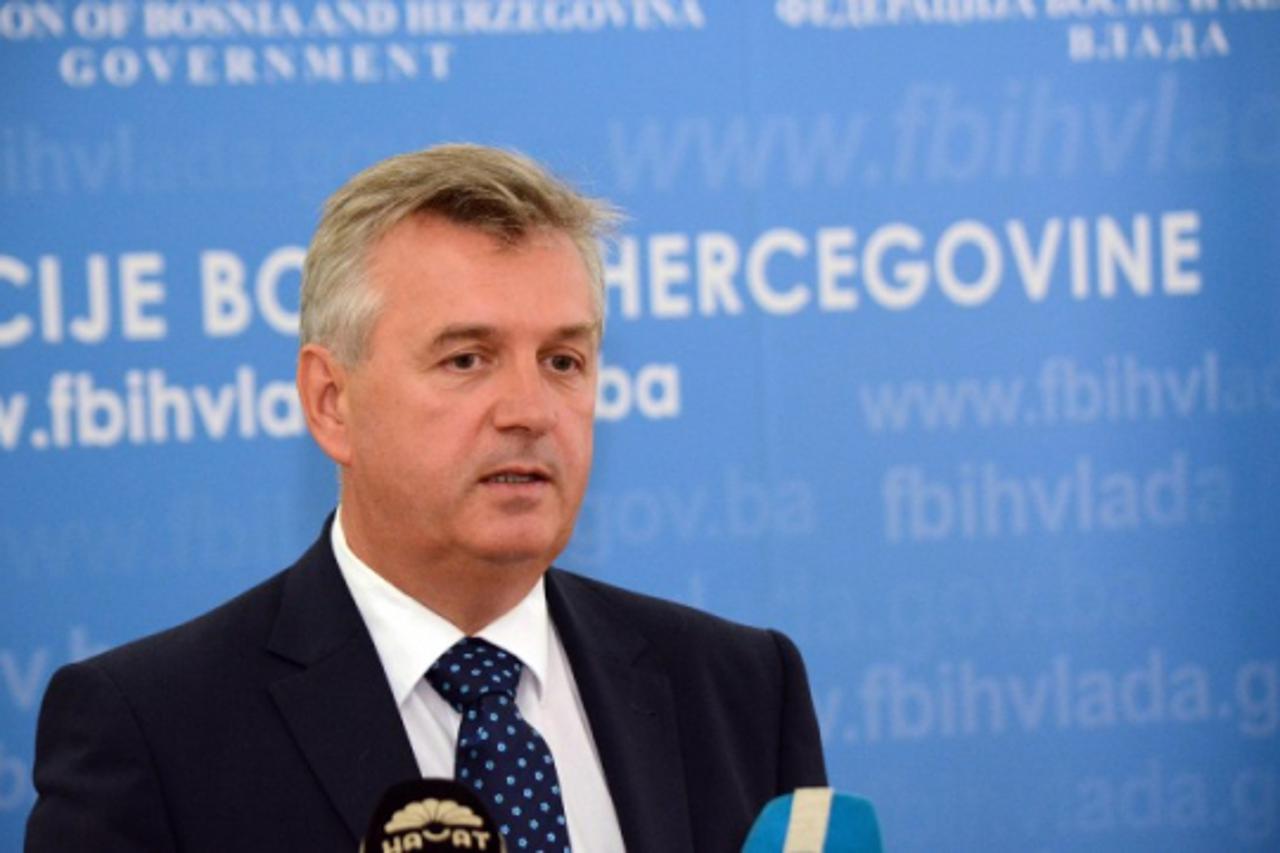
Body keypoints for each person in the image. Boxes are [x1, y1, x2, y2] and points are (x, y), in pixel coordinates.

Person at [25, 144, 826, 853]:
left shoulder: (743, 689)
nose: (530, 410)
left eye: (563, 360)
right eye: (467, 359)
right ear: (332, 401)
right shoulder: (154, 733)